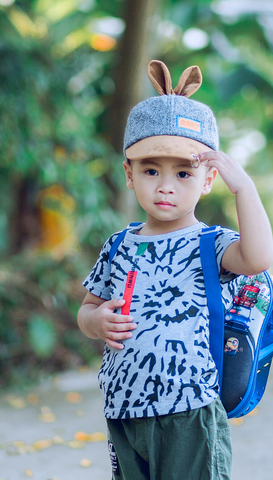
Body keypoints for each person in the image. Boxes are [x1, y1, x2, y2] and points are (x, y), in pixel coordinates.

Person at [77, 59, 273, 480]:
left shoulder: (212, 243)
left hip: (190, 411)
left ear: (207, 180)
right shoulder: (118, 244)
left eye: (183, 173)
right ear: (130, 175)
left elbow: (258, 258)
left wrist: (245, 189)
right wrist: (98, 321)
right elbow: (87, 309)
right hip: (124, 410)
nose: (166, 186)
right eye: (151, 170)